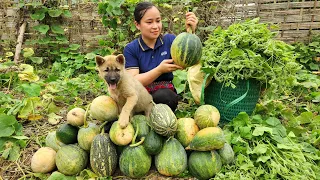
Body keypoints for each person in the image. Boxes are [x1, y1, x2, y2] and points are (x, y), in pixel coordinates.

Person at [124, 2, 198, 111]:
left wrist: (191, 34)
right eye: (149, 22)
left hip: (165, 96)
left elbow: (187, 60)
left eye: (158, 21)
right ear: (137, 24)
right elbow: (133, 81)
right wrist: (159, 70)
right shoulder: (131, 49)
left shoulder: (170, 41)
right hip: (141, 96)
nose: (155, 26)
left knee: (165, 97)